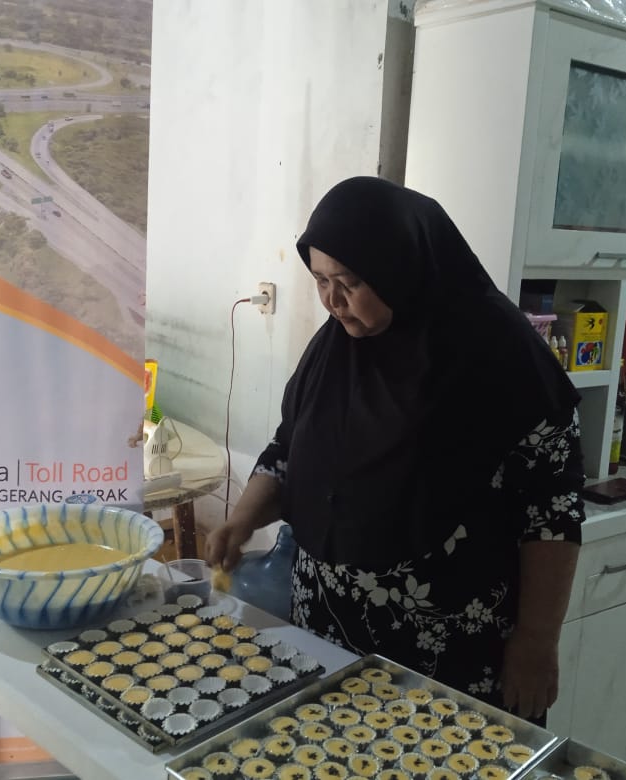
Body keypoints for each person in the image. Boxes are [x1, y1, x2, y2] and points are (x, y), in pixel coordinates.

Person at [205, 176, 585, 720]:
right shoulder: (336, 347)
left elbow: (551, 512)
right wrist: (241, 520)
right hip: (325, 632)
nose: (332, 301)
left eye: (350, 281)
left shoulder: (498, 353)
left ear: (401, 267)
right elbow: (289, 448)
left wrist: (538, 639)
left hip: (446, 649)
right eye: (320, 281)